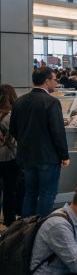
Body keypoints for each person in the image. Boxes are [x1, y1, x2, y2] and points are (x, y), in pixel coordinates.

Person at [9, 67, 70, 218]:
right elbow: (57, 132)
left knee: (29, 193)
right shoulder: (51, 102)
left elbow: (13, 130)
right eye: (55, 80)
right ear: (46, 81)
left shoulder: (19, 101)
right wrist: (64, 155)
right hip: (47, 157)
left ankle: (26, 228)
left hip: (26, 156)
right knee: (47, 194)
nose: (56, 83)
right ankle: (41, 227)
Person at [0, 85, 22, 227]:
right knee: (10, 190)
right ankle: (9, 220)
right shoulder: (11, 116)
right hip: (9, 157)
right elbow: (16, 140)